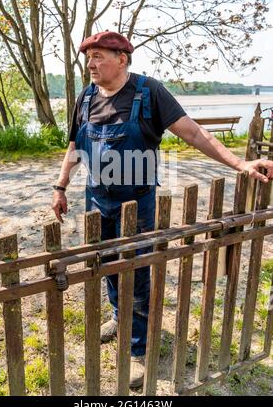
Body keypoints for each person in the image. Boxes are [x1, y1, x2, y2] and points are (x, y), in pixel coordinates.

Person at [52, 31, 273, 388]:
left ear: (121, 59)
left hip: (136, 202)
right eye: (88, 57)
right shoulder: (87, 96)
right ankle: (118, 316)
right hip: (96, 200)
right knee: (105, 263)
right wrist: (60, 187)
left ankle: (138, 350)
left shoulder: (149, 92)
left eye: (98, 56)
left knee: (137, 272)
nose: (90, 64)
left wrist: (240, 165)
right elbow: (75, 145)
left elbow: (195, 134)